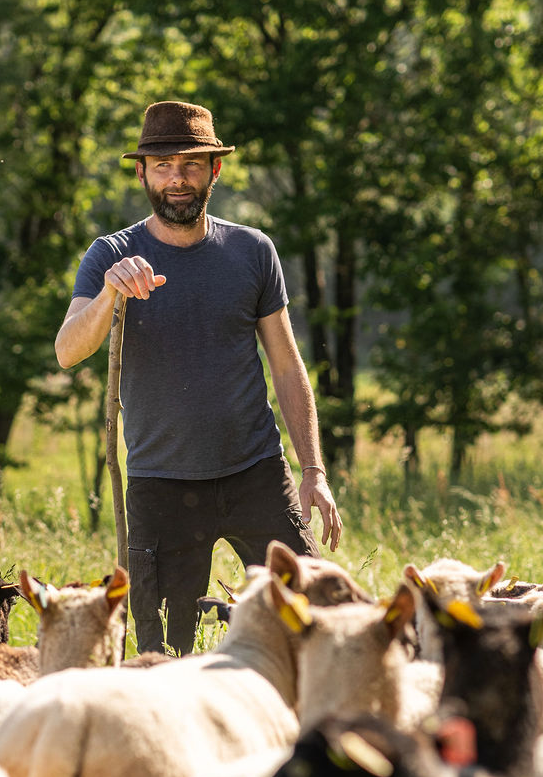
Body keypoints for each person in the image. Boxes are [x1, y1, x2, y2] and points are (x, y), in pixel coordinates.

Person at [56, 100, 343, 655]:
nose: (177, 179)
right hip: (159, 484)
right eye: (162, 166)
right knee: (164, 651)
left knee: (315, 622)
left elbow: (286, 364)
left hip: (255, 473)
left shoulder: (251, 251)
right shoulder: (111, 254)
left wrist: (313, 470)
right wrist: (111, 294)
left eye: (191, 164)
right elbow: (69, 351)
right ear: (141, 173)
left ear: (215, 170)